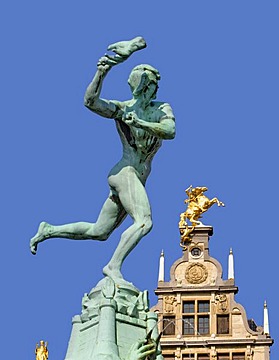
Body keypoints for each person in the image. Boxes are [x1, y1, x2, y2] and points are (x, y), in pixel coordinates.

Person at [30, 38, 175, 285]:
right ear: (142, 86)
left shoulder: (160, 109)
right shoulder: (122, 109)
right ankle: (113, 266)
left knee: (99, 231)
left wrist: (140, 123)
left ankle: (49, 230)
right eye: (150, 85)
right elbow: (91, 102)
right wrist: (101, 73)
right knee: (144, 222)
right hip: (125, 173)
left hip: (135, 177)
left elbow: (169, 130)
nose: (154, 90)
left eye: (154, 86)